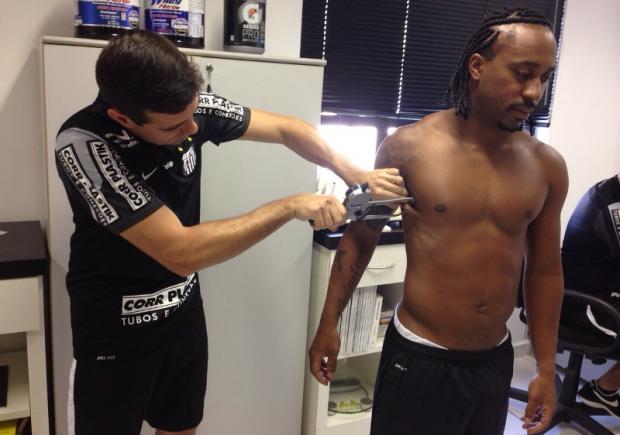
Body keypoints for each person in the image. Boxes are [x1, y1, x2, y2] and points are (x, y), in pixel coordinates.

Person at [54, 30, 408, 435]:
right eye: (175, 127)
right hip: (114, 329)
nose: (192, 129)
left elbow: (288, 128)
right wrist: (288, 206)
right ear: (123, 118)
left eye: (193, 115)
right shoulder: (85, 144)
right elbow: (180, 252)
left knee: (180, 426)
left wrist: (355, 172)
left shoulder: (187, 110)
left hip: (181, 313)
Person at [308, 8, 568, 435]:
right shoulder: (408, 148)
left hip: (493, 362)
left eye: (544, 77)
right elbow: (359, 240)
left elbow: (544, 271)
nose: (533, 92)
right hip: (418, 358)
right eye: (523, 74)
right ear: (477, 66)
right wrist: (328, 325)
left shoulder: (547, 167)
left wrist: (544, 367)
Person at [560, 174, 620, 418]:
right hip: (584, 307)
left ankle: (605, 391)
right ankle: (605, 390)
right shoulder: (612, 207)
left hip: (595, 297)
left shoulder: (610, 190)